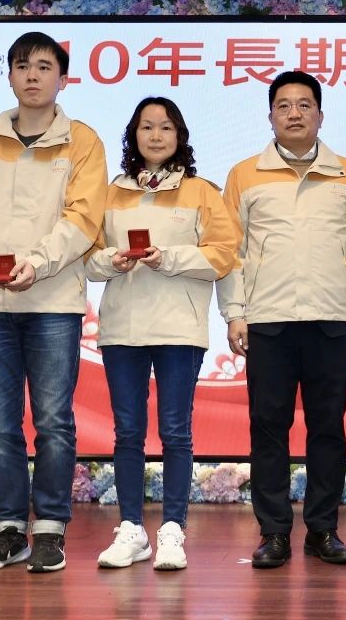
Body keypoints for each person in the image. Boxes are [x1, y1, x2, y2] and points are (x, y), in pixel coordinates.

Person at [0, 32, 107, 573]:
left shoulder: (83, 141)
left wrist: (38, 260)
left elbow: (84, 216)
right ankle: (8, 529)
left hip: (53, 299)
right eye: (21, 66)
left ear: (63, 78)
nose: (32, 75)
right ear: (9, 76)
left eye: (43, 66)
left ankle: (51, 529)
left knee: (54, 420)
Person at [217, 70, 346, 569]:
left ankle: (323, 530)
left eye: (304, 105)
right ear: (270, 116)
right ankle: (273, 532)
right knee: (269, 428)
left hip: (331, 320)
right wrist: (235, 313)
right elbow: (231, 251)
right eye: (284, 105)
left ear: (320, 115)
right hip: (268, 321)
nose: (294, 113)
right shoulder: (245, 174)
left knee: (328, 428)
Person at [86, 96, 238, 571]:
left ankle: (172, 529)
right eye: (147, 127)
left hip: (178, 327)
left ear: (180, 136)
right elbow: (86, 256)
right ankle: (131, 529)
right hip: (122, 328)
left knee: (175, 431)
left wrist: (169, 258)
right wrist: (111, 260)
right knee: (128, 431)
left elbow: (224, 253)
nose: (156, 136)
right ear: (133, 135)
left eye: (166, 127)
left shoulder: (201, 191)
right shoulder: (109, 192)